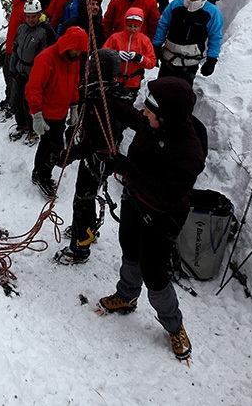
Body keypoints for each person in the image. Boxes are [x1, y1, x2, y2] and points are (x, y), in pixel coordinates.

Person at [98, 76, 207, 361]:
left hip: (161, 215)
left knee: (154, 271)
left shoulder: (189, 151)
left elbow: (168, 194)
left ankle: (174, 325)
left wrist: (126, 167)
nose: (145, 113)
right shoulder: (156, 119)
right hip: (135, 200)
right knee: (129, 249)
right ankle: (126, 294)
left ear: (167, 115)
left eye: (150, 110)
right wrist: (106, 102)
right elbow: (136, 117)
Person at [55, 49, 130, 265]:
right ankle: (89, 230)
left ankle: (80, 247)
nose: (86, 69)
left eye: (91, 66)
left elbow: (93, 142)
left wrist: (70, 155)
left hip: (98, 158)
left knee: (83, 199)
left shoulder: (100, 101)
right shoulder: (112, 95)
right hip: (103, 156)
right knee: (88, 195)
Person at [25, 25, 89, 198]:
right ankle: (43, 175)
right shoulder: (46, 59)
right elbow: (33, 89)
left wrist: (74, 106)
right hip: (46, 112)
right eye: (75, 48)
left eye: (80, 50)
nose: (77, 52)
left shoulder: (74, 61)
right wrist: (36, 115)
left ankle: (38, 172)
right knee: (56, 148)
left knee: (46, 144)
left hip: (60, 112)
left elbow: (74, 83)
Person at [152, 0, 224, 84]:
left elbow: (215, 37)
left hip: (190, 62)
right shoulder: (175, 5)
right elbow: (162, 25)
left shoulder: (212, 12)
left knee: (182, 94)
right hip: (168, 57)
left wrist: (211, 60)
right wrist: (156, 46)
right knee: (160, 89)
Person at [9, 0, 56, 144]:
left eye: (34, 16)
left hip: (35, 72)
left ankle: (33, 130)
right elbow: (16, 49)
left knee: (29, 101)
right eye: (28, 16)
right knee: (18, 98)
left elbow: (49, 55)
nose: (30, 19)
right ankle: (21, 125)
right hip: (21, 69)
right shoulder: (22, 28)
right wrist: (12, 68)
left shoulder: (45, 31)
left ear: (39, 14)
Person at [0, 0, 36, 118]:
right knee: (7, 74)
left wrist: (17, 48)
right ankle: (9, 99)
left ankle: (13, 103)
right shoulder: (17, 5)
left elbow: (24, 31)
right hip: (10, 47)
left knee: (13, 76)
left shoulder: (24, 7)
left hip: (15, 49)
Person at [103, 7, 157, 97]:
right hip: (115, 80)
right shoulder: (115, 38)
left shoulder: (144, 40)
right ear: (125, 24)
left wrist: (139, 58)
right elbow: (104, 55)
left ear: (140, 26)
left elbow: (152, 62)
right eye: (129, 25)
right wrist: (116, 55)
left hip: (133, 82)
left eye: (135, 26)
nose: (132, 29)